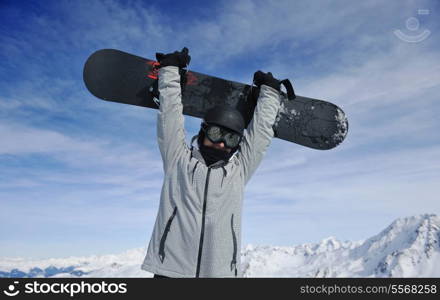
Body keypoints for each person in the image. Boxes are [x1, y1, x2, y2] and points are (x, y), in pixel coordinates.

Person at [141, 47, 282, 278]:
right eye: (217, 133)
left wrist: (270, 95)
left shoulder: (239, 170)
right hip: (170, 271)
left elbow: (260, 136)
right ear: (204, 131)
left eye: (231, 139)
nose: (221, 144)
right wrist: (169, 72)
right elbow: (170, 116)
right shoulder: (178, 158)